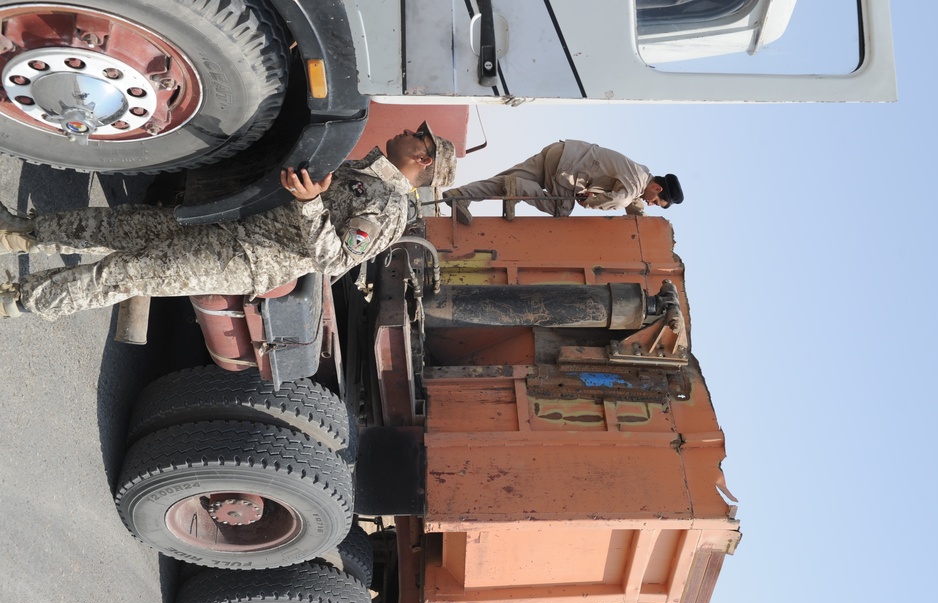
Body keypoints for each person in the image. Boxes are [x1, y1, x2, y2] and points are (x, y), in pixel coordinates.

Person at [0, 122, 456, 320]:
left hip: (243, 257)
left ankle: (18, 300)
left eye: (419, 136)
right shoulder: (366, 170)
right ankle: (18, 234)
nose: (409, 131)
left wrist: (311, 204)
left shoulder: (392, 210)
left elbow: (330, 260)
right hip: (233, 223)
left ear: (423, 157)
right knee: (123, 226)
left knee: (125, 274)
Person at [443, 139, 682, 225]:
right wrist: (590, 202)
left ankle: (459, 196)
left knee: (503, 181)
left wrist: (641, 218)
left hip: (561, 152)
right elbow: (621, 200)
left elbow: (633, 200)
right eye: (656, 202)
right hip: (568, 169)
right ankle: (516, 188)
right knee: (561, 208)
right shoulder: (634, 185)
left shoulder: (640, 173)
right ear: (657, 188)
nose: (651, 204)